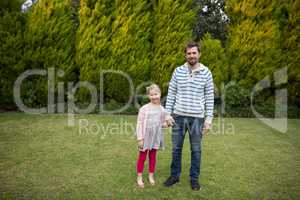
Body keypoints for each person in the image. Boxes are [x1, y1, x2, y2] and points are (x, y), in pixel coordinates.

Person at [163, 41, 214, 191]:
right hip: (178, 116)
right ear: (186, 55)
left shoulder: (207, 72)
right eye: (189, 53)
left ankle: (194, 179)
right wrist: (167, 114)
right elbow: (171, 93)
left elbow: (209, 97)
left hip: (197, 118)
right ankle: (174, 176)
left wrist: (208, 120)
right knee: (176, 149)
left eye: (194, 53)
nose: (191, 55)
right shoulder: (178, 71)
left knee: (196, 150)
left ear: (199, 54)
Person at [135, 84, 167, 188]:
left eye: (156, 94)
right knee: (142, 157)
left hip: (155, 136)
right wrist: (140, 138)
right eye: (151, 95)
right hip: (145, 136)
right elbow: (139, 123)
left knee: (153, 156)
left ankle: (150, 175)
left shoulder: (162, 109)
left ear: (160, 94)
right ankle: (139, 177)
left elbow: (162, 123)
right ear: (148, 96)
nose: (154, 97)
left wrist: (166, 124)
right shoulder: (144, 109)